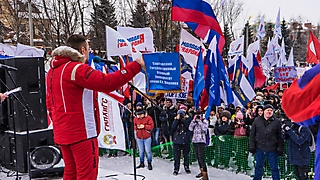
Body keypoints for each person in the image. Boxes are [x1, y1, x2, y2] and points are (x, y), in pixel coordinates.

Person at [46, 34, 144, 180]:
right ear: (83, 49)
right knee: (87, 175)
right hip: (82, 133)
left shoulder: (53, 71)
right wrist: (136, 65)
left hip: (63, 133)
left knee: (70, 173)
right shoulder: (77, 69)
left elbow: (49, 102)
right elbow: (108, 82)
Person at [249, 104, 284, 180]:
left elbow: (280, 136)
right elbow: (252, 134)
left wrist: (280, 148)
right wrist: (252, 146)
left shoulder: (277, 122)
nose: (269, 112)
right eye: (268, 110)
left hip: (272, 148)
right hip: (259, 147)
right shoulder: (257, 120)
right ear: (264, 111)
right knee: (258, 167)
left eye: (271, 111)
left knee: (274, 168)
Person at [189, 109, 209, 180]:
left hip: (201, 141)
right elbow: (190, 128)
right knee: (198, 158)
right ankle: (201, 171)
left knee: (201, 158)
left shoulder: (205, 121)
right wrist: (194, 121)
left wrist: (200, 121)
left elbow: (205, 129)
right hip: (195, 140)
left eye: (199, 114)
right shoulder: (194, 121)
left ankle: (205, 175)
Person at [134, 102, 154, 170]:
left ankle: (149, 163)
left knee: (148, 151)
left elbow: (151, 126)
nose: (139, 116)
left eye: (140, 115)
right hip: (139, 137)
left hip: (147, 137)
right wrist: (137, 127)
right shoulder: (136, 119)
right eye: (138, 115)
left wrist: (144, 126)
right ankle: (141, 162)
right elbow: (133, 126)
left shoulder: (148, 118)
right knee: (141, 151)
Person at [172, 109, 192, 176]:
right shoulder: (175, 120)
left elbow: (188, 126)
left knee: (186, 155)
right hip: (177, 140)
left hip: (185, 140)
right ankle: (176, 168)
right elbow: (173, 127)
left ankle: (186, 167)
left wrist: (184, 119)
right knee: (176, 156)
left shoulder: (188, 119)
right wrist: (177, 120)